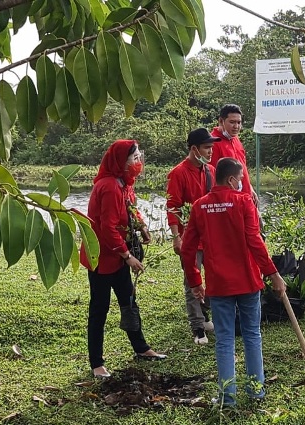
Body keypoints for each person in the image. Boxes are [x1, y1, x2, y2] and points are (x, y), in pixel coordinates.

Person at [181, 157, 286, 407]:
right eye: (240, 179)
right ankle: (256, 392)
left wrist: (196, 281)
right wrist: (273, 274)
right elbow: (255, 241)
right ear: (231, 179)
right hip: (248, 282)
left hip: (219, 285)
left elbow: (187, 249)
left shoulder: (199, 206)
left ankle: (227, 398)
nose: (242, 183)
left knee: (225, 339)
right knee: (252, 334)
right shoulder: (244, 202)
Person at [81, 140, 166, 379]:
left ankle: (141, 348)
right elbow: (106, 228)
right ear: (121, 160)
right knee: (100, 308)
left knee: (129, 301)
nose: (138, 162)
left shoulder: (125, 183)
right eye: (134, 158)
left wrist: (142, 227)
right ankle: (96, 363)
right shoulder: (107, 186)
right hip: (102, 256)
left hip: (117, 256)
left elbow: (131, 209)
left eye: (139, 157)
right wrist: (128, 256)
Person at [167, 128, 219, 345]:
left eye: (211, 147)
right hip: (190, 237)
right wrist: (176, 236)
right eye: (207, 147)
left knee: (215, 276)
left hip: (211, 236)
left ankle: (207, 315)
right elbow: (173, 206)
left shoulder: (211, 171)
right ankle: (197, 326)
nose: (210, 151)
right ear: (194, 149)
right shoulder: (178, 173)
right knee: (192, 281)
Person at [210, 104, 258, 203]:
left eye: (239, 122)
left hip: (246, 198)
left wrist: (250, 188)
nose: (236, 126)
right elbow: (212, 176)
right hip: (230, 202)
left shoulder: (235, 139)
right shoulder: (213, 143)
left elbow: (243, 168)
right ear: (221, 121)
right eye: (232, 122)